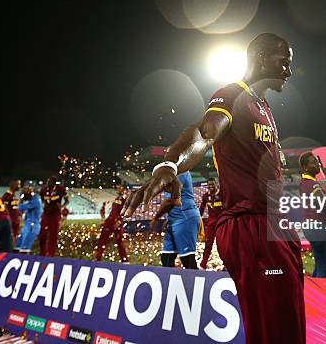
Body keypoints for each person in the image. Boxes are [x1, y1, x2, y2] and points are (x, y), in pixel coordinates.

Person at [123, 33, 305, 344]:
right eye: (283, 62)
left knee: (287, 325)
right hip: (253, 227)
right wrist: (169, 164)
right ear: (262, 58)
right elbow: (204, 133)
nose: (288, 70)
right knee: (276, 332)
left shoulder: (264, 107)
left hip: (273, 224)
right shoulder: (232, 95)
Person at [151, 172, 200, 269]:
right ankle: (170, 283)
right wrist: (170, 218)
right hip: (175, 220)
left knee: (187, 259)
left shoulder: (180, 172)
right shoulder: (172, 172)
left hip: (185, 218)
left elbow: (171, 201)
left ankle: (196, 283)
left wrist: (156, 218)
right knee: (166, 257)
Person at [299, 152, 326, 278]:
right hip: (318, 225)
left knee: (320, 264)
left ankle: (312, 294)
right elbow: (323, 204)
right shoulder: (310, 183)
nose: (317, 165)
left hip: (312, 226)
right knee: (325, 267)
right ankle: (321, 294)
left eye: (318, 162)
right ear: (305, 167)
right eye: (313, 162)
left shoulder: (306, 182)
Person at [95, 185, 129, 262]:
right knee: (102, 240)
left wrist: (119, 221)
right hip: (110, 221)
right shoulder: (117, 198)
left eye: (120, 187)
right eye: (117, 187)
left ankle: (125, 260)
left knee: (118, 242)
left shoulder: (124, 199)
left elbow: (123, 211)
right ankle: (98, 257)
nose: (118, 189)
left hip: (116, 223)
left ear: (124, 190)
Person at [38, 176, 69, 257]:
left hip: (55, 214)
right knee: (42, 235)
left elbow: (67, 201)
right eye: (47, 182)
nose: (47, 184)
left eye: (49, 182)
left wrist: (61, 206)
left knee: (53, 235)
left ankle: (51, 254)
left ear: (54, 183)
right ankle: (42, 253)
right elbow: (42, 199)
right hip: (46, 214)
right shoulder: (43, 189)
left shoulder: (61, 189)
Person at [198, 177, 223, 270]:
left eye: (212, 184)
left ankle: (226, 265)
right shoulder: (205, 196)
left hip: (221, 224)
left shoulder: (222, 194)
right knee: (208, 244)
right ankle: (203, 265)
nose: (211, 186)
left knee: (222, 245)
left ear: (216, 184)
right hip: (211, 225)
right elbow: (200, 210)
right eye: (209, 185)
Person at [15, 186, 42, 253]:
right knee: (17, 247)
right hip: (27, 225)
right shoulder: (33, 200)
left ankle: (24, 262)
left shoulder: (35, 201)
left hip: (32, 226)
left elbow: (20, 207)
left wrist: (21, 199)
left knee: (24, 249)